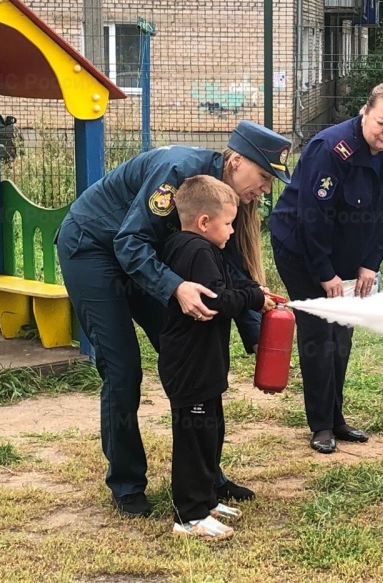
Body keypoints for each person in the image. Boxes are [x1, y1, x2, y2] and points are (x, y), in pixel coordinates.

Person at [57, 120, 292, 515]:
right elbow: (129, 241)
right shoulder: (178, 172)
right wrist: (176, 287)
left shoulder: (223, 200)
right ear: (235, 161)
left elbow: (228, 266)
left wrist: (256, 333)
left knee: (193, 359)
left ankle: (206, 478)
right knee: (123, 369)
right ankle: (127, 484)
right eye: (265, 176)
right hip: (93, 250)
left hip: (142, 259)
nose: (266, 189)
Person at [269, 82, 383, 453]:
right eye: (382, 122)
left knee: (343, 334)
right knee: (319, 335)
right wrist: (325, 273)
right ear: (365, 113)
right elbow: (313, 218)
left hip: (350, 256)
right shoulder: (331, 150)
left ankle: (337, 419)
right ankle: (320, 427)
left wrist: (370, 264)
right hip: (302, 252)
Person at [159, 175, 275, 540]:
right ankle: (189, 516)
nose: (232, 230)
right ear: (204, 223)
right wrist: (253, 300)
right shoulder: (194, 251)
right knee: (194, 439)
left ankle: (206, 499)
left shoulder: (205, 250)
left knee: (210, 431)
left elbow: (228, 285)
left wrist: (255, 290)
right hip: (189, 366)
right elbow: (215, 301)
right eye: (228, 223)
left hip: (204, 365)